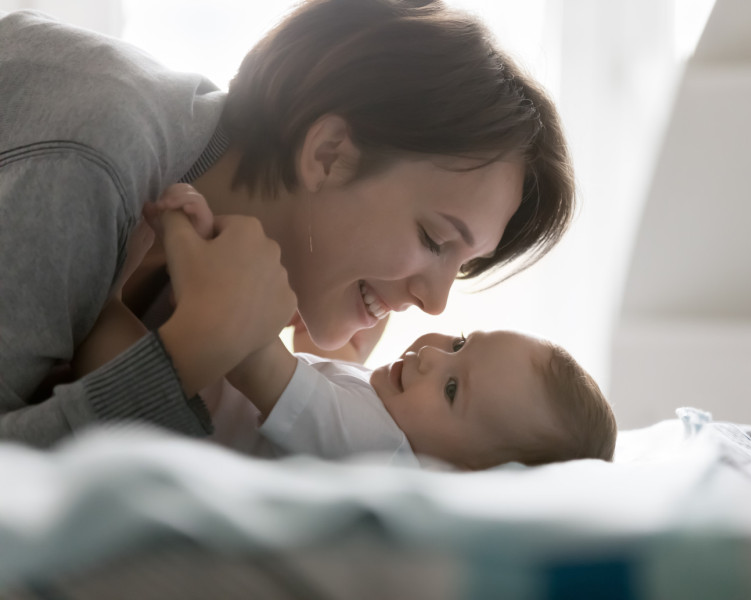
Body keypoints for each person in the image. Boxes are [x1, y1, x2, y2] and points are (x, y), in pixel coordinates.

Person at [0, 0, 574, 447]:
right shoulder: (91, 163)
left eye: (462, 265)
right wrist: (185, 354)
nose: (436, 302)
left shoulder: (215, 257)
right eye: (434, 239)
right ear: (328, 155)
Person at [75, 188, 615, 470]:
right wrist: (338, 356)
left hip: (172, 426)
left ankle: (98, 274)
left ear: (460, 474)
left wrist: (223, 269)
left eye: (452, 389)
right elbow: (322, 419)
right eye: (460, 344)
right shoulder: (386, 436)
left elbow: (259, 364)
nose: (432, 358)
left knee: (102, 322)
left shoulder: (384, 452)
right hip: (191, 401)